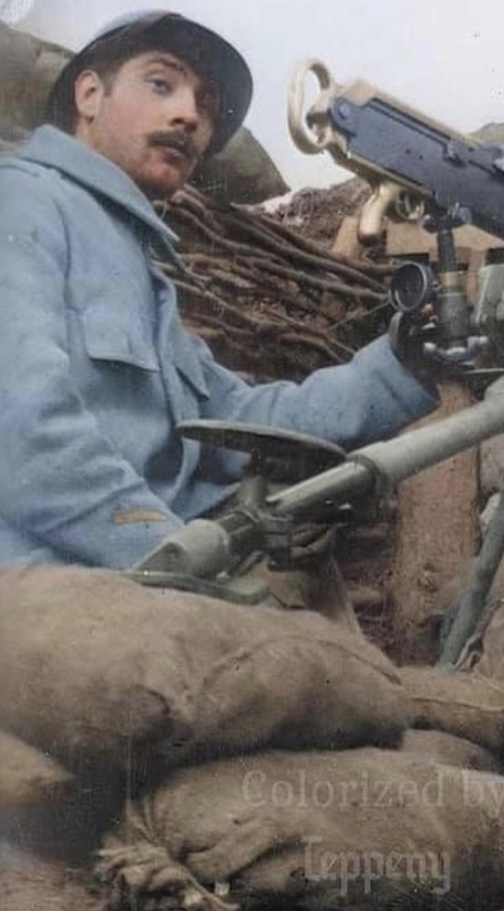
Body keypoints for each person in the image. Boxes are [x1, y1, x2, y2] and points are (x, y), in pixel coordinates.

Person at [0, 11, 440, 568]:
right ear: (90, 94)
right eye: (161, 85)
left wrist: (399, 368)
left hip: (130, 574)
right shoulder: (24, 203)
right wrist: (177, 555)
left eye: (205, 106)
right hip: (47, 584)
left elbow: (235, 419)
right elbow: (22, 433)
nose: (189, 115)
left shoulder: (133, 259)